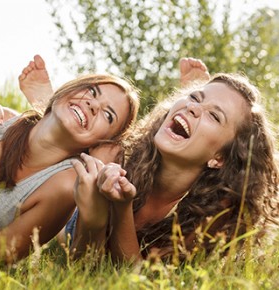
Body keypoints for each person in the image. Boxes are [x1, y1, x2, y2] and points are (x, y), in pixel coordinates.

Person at [66, 65, 279, 263]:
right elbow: (80, 258)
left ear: (219, 158)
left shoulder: (216, 213)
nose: (193, 107)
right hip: (70, 213)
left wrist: (122, 208)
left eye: (214, 115)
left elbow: (137, 277)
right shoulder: (117, 156)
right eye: (194, 97)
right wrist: (93, 214)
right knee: (95, 154)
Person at [0, 67, 140, 266]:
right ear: (68, 89)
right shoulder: (0, 121)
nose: (94, 105)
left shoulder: (62, 187)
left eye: (108, 115)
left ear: (103, 142)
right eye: (92, 91)